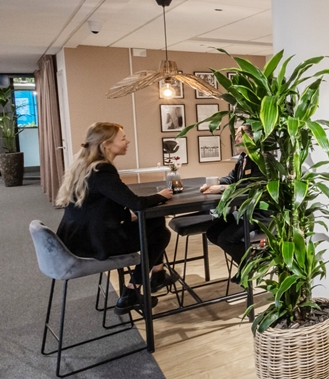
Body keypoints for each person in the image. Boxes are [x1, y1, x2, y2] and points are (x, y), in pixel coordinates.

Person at [56, 122, 175, 313]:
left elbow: (101, 206)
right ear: (106, 144)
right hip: (94, 242)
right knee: (161, 234)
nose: (127, 141)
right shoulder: (102, 171)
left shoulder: (87, 166)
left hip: (79, 236)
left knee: (155, 220)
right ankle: (131, 292)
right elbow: (136, 203)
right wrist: (162, 195)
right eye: (123, 138)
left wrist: (127, 216)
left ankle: (158, 275)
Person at [200, 124, 262, 271]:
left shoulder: (260, 159)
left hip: (258, 214)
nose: (236, 139)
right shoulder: (242, 158)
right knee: (212, 232)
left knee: (226, 238)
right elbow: (232, 178)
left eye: (240, 135)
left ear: (252, 137)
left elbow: (252, 187)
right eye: (236, 135)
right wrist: (216, 183)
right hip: (243, 212)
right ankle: (250, 258)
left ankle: (249, 269)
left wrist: (222, 188)